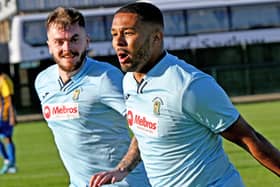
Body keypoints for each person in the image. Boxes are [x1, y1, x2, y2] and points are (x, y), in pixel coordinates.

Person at [89, 2, 280, 187]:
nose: (118, 42)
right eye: (114, 34)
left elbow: (249, 138)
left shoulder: (189, 85)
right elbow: (144, 131)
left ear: (156, 38)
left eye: (128, 33)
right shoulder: (129, 81)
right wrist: (122, 169)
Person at [34, 7, 150, 187]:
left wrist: (122, 169)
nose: (67, 48)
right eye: (59, 42)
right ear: (49, 45)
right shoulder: (43, 82)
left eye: (74, 40)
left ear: (86, 41)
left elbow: (149, 125)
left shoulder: (105, 78)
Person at [0, 70, 17, 174]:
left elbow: (9, 99)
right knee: (7, 138)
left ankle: (10, 162)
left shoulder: (3, 80)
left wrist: (11, 116)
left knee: (7, 138)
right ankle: (9, 162)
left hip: (4, 114)